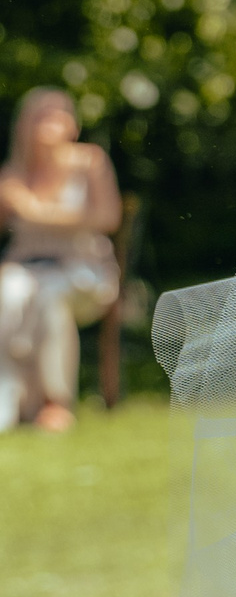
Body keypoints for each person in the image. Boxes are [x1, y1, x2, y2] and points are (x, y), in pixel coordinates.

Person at [0, 87, 122, 433]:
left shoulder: (89, 161)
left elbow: (107, 218)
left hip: (84, 273)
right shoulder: (13, 173)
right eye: (41, 115)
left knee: (49, 294)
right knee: (7, 293)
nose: (50, 123)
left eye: (58, 114)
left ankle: (56, 404)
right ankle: (8, 401)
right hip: (25, 267)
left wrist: (37, 213)